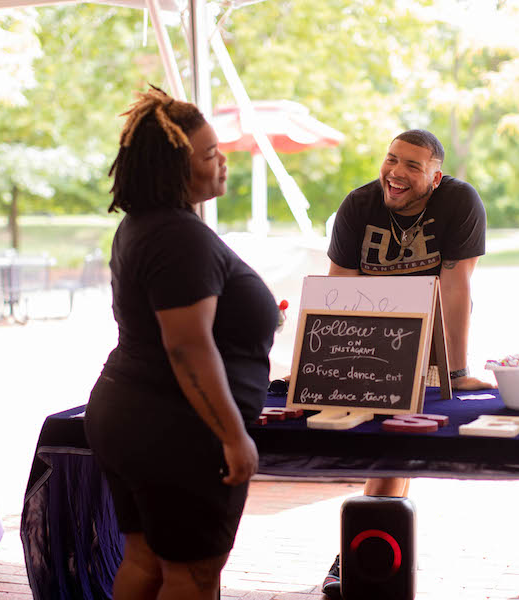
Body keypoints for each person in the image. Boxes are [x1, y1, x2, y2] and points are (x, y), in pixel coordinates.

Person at [84, 86, 280, 600]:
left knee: (146, 560)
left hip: (133, 416)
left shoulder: (143, 226)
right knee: (191, 575)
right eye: (210, 155)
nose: (222, 164)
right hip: (177, 432)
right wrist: (234, 436)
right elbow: (187, 349)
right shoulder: (178, 237)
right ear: (174, 168)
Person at [321, 129, 494, 598]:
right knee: (392, 445)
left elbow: (457, 288)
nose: (396, 173)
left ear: (435, 177)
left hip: (433, 337)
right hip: (371, 336)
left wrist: (456, 373)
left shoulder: (459, 202)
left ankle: (358, 555)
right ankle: (363, 552)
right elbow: (339, 290)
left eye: (412, 166)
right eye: (392, 159)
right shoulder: (358, 206)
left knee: (398, 442)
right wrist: (331, 367)